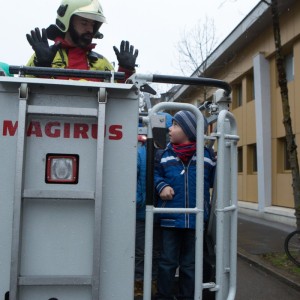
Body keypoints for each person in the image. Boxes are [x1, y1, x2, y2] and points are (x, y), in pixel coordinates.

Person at [154, 110, 216, 300]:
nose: (170, 129)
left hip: (195, 220)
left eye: (175, 125)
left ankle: (187, 296)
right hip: (171, 218)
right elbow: (155, 174)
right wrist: (161, 186)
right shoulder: (165, 154)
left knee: (190, 264)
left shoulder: (206, 156)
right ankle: (163, 296)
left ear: (189, 131)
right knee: (167, 262)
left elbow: (214, 181)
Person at [25, 0, 138, 81]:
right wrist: (42, 67)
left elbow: (119, 99)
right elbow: (25, 90)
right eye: (84, 23)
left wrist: (126, 71)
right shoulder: (40, 57)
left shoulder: (101, 63)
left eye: (93, 24)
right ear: (67, 22)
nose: (90, 29)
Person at [135, 113, 173, 299]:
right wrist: (139, 201)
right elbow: (134, 179)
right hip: (141, 213)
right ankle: (140, 284)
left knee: (158, 252)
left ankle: (154, 283)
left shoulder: (169, 154)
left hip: (161, 213)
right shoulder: (140, 151)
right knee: (141, 252)